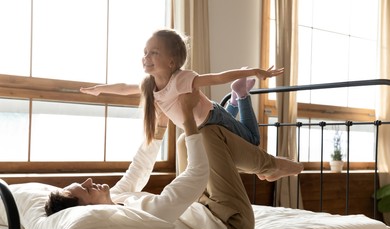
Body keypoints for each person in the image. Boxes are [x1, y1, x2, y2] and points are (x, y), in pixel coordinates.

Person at [45, 91, 303, 229]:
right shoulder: (132, 220)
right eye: (86, 189)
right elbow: (194, 177)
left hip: (204, 205)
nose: (90, 182)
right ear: (87, 211)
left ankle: (266, 166)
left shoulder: (118, 197)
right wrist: (189, 118)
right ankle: (269, 166)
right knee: (208, 133)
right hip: (230, 223)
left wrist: (159, 125)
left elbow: (139, 167)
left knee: (183, 141)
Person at [80, 28, 284, 145]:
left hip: (213, 118)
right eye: (145, 52)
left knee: (254, 140)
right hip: (207, 121)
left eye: (154, 52)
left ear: (171, 62)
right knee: (232, 130)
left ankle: (241, 95)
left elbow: (216, 78)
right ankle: (235, 95)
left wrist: (253, 71)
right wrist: (99, 89)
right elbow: (124, 87)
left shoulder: (180, 79)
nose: (146, 56)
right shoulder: (150, 85)